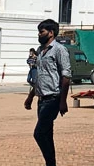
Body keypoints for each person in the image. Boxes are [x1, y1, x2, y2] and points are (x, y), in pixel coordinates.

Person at [25, 19, 71, 166]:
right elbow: (40, 76)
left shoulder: (59, 50)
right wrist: (30, 96)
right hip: (41, 99)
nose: (39, 34)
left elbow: (66, 77)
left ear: (51, 33)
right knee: (47, 134)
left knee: (38, 134)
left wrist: (63, 101)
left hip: (53, 98)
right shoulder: (40, 51)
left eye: (42, 32)